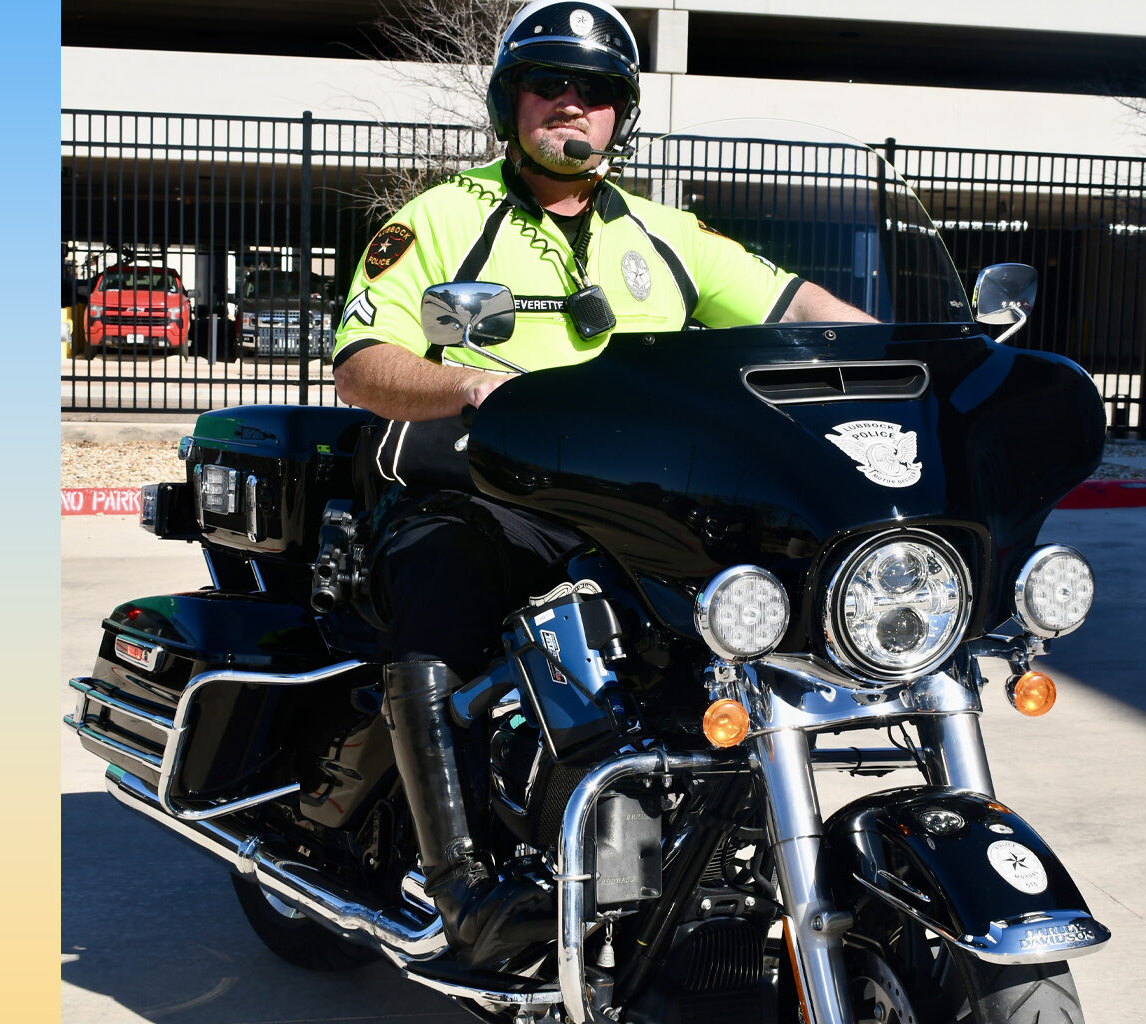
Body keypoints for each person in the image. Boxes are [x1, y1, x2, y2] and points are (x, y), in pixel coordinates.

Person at [327, 0, 874, 967]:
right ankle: (466, 888)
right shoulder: (443, 218)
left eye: (595, 93)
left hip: (633, 508)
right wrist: (467, 382)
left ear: (621, 114)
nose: (569, 107)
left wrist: (917, 351)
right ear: (512, 103)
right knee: (438, 580)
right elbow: (362, 364)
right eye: (549, 85)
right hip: (481, 493)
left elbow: (798, 305)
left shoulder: (670, 235)